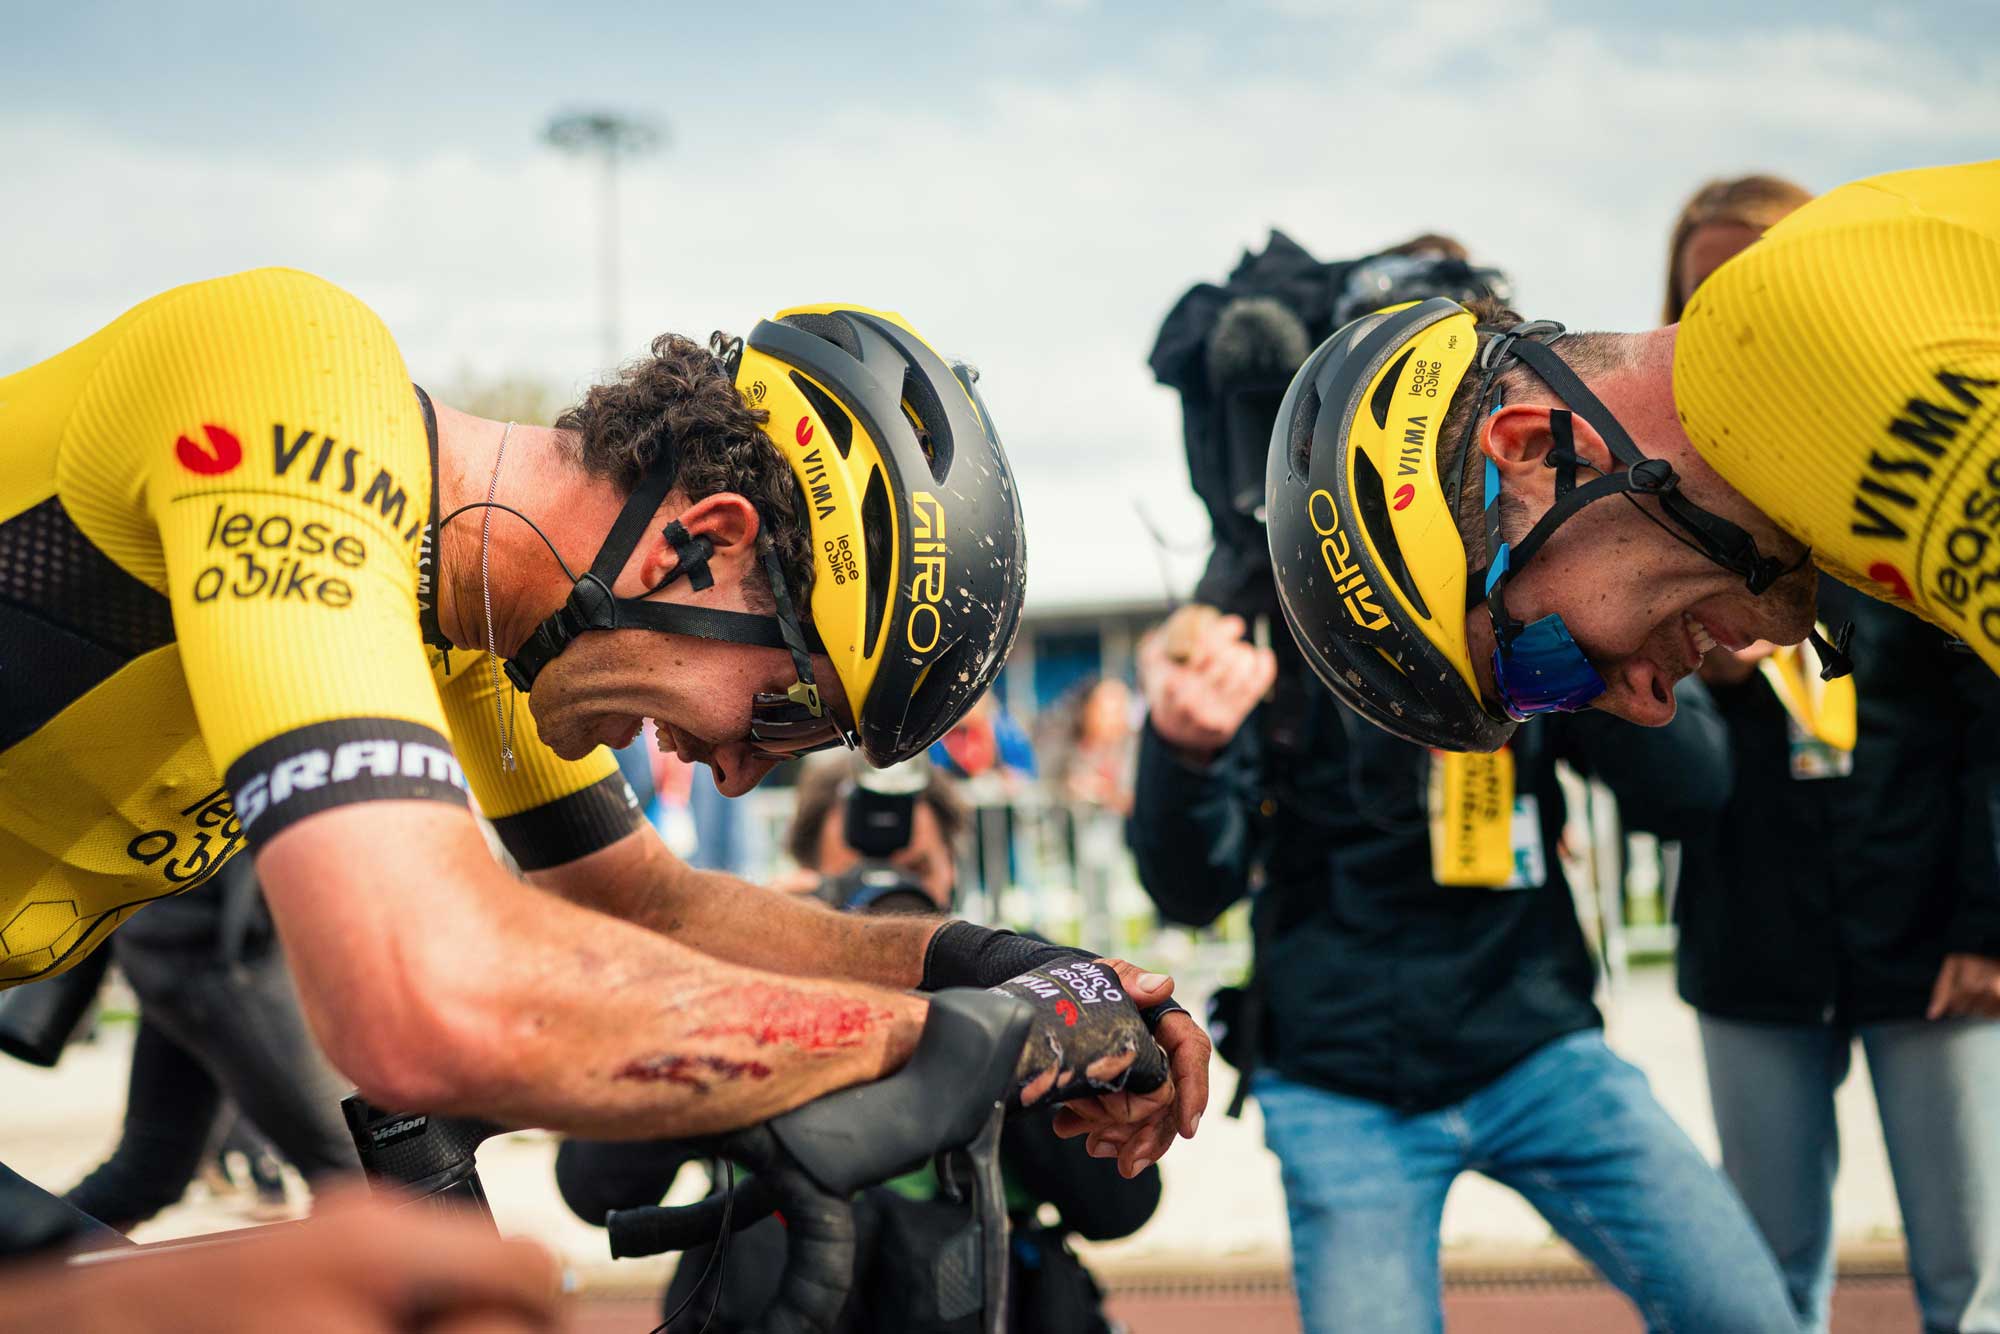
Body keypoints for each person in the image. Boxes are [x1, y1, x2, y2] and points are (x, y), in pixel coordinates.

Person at [0, 271, 1207, 1319]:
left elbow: (650, 904)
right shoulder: (290, 384)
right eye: (786, 708)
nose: (740, 769)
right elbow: (419, 998)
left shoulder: (470, 623)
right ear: (702, 540)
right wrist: (938, 1043)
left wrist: (1002, 970)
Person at [1132, 603, 1797, 1334]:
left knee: (1748, 1315)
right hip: (1342, 1083)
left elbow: (1692, 787)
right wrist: (1180, 750)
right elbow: (1189, 892)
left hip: (1537, 1048)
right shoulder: (1270, 611)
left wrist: (1605, 638)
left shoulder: (1533, 588)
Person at [1262, 159, 1997, 752]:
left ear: (1540, 451)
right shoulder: (1800, 470)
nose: (1647, 707)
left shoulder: (1807, 359)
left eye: (1539, 670)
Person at [1665, 176, 2000, 1334]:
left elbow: (1986, 711)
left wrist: (1986, 919)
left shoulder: (1903, 470)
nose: (1719, 303)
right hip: (1749, 941)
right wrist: (1680, 673)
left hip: (1927, 943)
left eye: (1747, 276)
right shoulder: (1661, 505)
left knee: (1970, 1277)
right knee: (1765, 1281)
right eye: (1696, 286)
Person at [559, 755, 1159, 1332]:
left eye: (916, 872)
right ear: (806, 878)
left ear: (954, 870)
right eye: (855, 878)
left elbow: (1120, 1208)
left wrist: (994, 1031)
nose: (890, 898)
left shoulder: (1012, 987)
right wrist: (735, 985)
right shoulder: (743, 987)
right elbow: (593, 1186)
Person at [63, 855, 359, 1231]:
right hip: (219, 944)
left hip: (182, 936)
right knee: (357, 1173)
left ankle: (21, 1255)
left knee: (150, 1168)